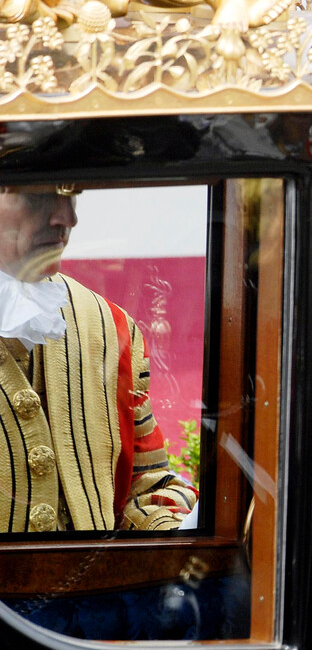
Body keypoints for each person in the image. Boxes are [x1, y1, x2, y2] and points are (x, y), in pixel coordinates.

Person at [0, 184, 197, 533]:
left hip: (92, 586)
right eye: (38, 195)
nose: (68, 218)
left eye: (71, 195)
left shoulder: (111, 327)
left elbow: (146, 484)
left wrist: (168, 528)